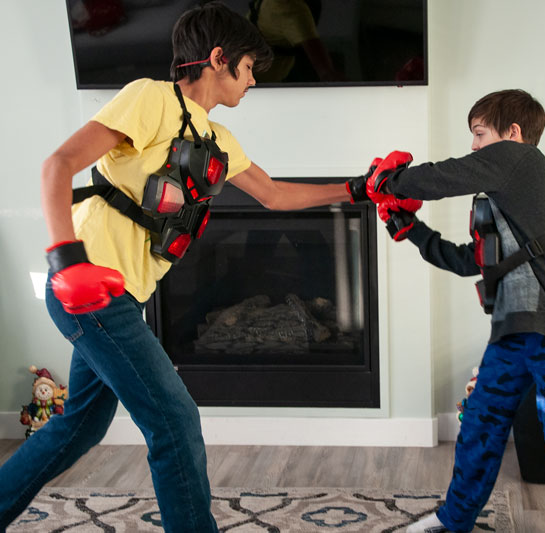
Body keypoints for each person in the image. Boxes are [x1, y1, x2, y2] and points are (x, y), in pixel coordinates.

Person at [0, 3, 365, 531]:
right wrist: (66, 260)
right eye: (249, 68)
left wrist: (358, 188)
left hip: (126, 296)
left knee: (80, 427)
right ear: (218, 59)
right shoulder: (150, 98)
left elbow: (274, 195)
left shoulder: (220, 141)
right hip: (91, 286)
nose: (254, 81)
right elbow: (57, 165)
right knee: (174, 421)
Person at [364, 89, 545, 533]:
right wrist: (412, 230)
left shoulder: (523, 161)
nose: (474, 144)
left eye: (480, 134)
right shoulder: (506, 200)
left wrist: (391, 181)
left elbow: (447, 176)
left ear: (513, 134)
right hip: (514, 334)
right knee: (480, 426)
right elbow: (469, 261)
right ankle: (453, 521)